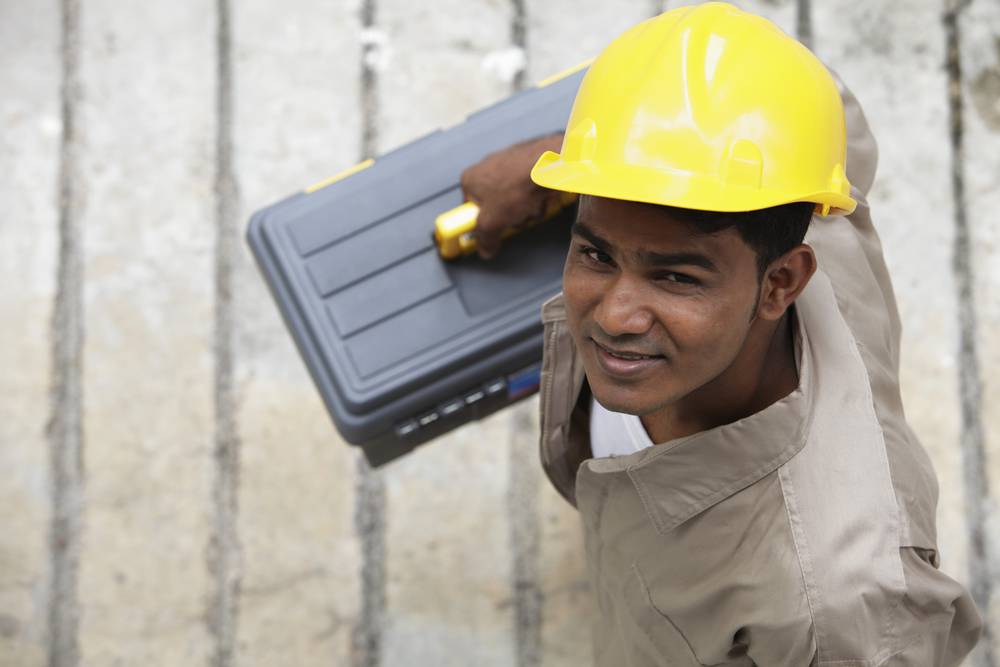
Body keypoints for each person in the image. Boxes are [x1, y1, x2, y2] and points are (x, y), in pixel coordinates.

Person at [459, 3, 983, 665]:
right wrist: (558, 160)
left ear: (781, 282)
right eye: (596, 255)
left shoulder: (837, 605)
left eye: (675, 278)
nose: (615, 315)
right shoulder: (801, 152)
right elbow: (794, 100)